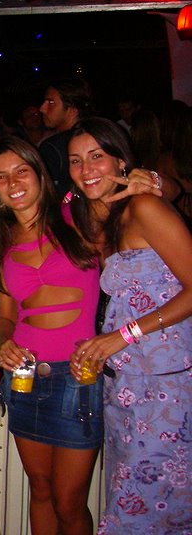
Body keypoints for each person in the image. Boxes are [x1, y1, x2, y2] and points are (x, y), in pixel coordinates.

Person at [67, 117, 192, 533]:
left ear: (121, 161)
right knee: (133, 496)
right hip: (126, 383)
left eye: (96, 156)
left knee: (148, 506)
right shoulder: (104, 217)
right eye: (75, 161)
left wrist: (122, 335)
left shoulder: (144, 208)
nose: (86, 169)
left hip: (168, 383)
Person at [0, 135, 103, 534]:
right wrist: (2, 344)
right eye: (1, 177)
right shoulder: (2, 242)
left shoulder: (78, 219)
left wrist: (152, 180)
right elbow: (6, 317)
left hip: (78, 374)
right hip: (25, 377)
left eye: (21, 171)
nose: (13, 182)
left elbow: (134, 201)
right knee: (40, 489)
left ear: (40, 174)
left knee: (70, 502)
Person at [37, 77, 94, 197]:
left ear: (72, 109)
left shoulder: (51, 148)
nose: (42, 109)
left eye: (51, 103)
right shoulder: (103, 135)